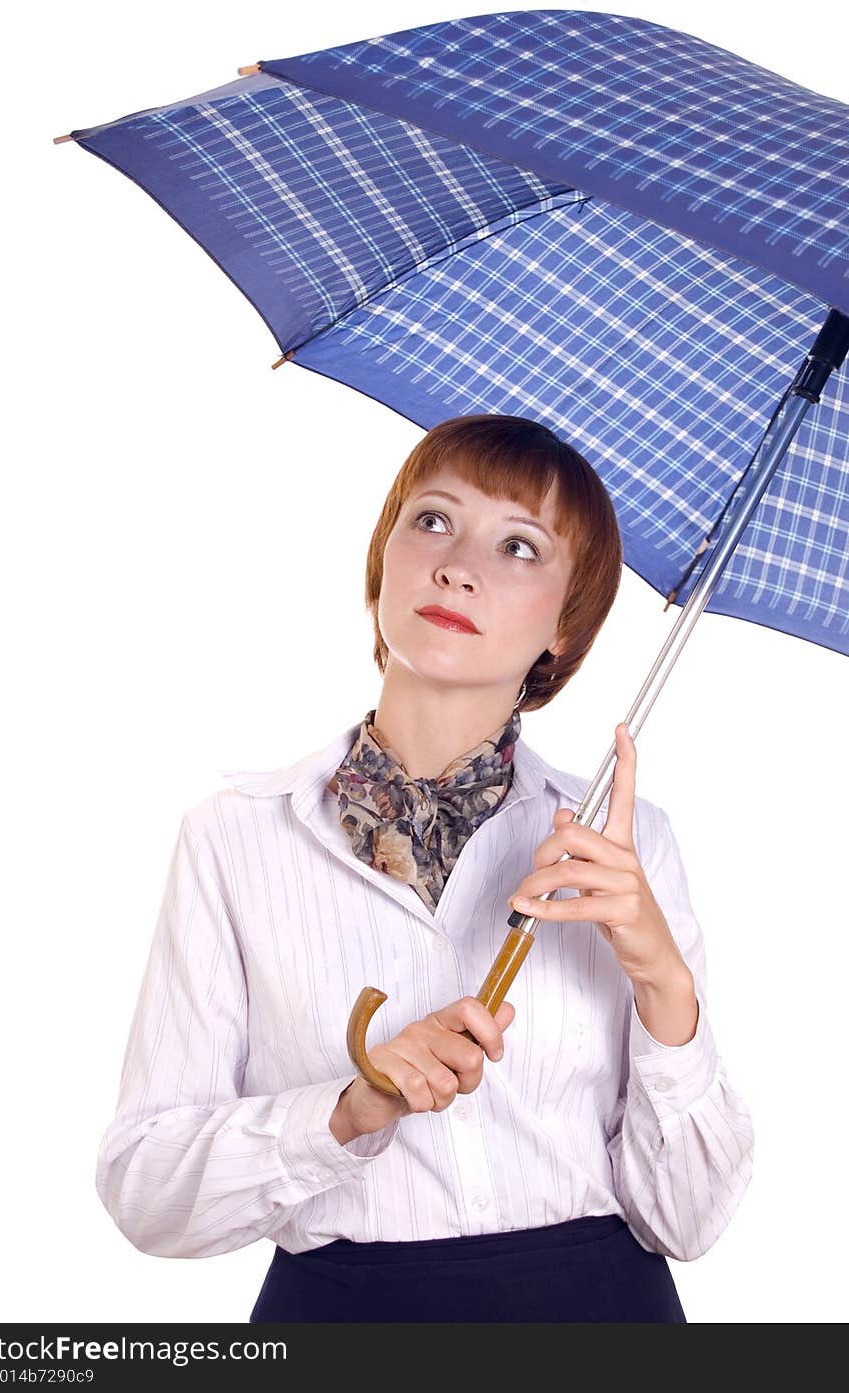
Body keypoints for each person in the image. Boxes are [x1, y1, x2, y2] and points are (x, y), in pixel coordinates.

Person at [95, 414, 754, 1322]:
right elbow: (147, 1188)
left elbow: (688, 1218)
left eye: (520, 544)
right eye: (434, 520)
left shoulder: (623, 851)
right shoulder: (235, 839)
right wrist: (347, 1111)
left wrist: (660, 976)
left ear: (565, 626)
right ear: (383, 563)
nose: (458, 567)